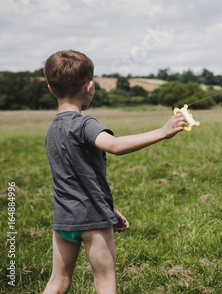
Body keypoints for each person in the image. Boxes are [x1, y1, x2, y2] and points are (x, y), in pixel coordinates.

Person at [42, 50, 186, 294]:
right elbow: (115, 146)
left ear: (51, 89)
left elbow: (78, 178)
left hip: (64, 219)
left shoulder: (52, 130)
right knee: (105, 282)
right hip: (93, 219)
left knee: (58, 282)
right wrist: (163, 131)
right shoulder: (84, 124)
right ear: (90, 87)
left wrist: (108, 207)